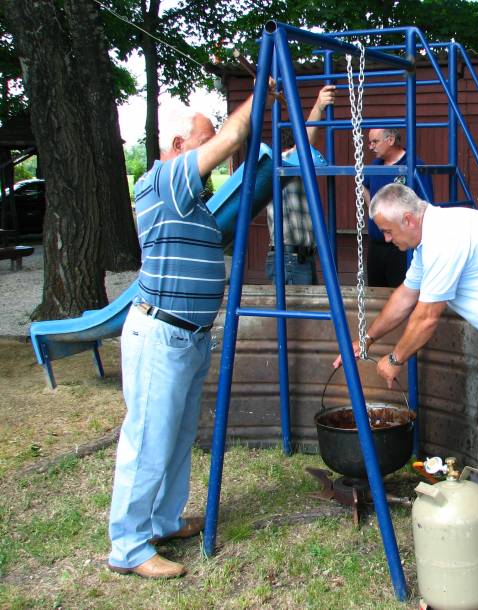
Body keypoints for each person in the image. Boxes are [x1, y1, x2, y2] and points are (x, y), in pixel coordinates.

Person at [333, 183, 478, 549]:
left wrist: (396, 358)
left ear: (409, 219)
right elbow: (405, 298)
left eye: (387, 230)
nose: (384, 237)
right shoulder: (427, 244)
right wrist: (366, 340)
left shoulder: (447, 238)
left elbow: (427, 317)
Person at [107, 87, 272, 579]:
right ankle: (129, 547)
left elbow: (248, 151)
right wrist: (263, 89)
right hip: (161, 334)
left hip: (187, 337)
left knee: (177, 438)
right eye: (203, 142)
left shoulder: (194, 203)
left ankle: (163, 520)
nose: (212, 152)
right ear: (180, 146)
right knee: (148, 440)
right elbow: (233, 135)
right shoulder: (165, 180)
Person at [265, 85, 335, 285]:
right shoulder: (281, 163)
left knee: (308, 315)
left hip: (301, 257)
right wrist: (318, 107)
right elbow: (306, 142)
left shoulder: (295, 168)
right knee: (295, 316)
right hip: (289, 258)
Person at [363, 128, 434, 288]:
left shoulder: (413, 164)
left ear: (391, 140)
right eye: (370, 142)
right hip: (376, 244)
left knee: (403, 292)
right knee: (375, 293)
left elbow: (426, 204)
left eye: (375, 141)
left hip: (402, 248)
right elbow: (362, 185)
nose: (371, 146)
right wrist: (372, 210)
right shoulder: (375, 165)